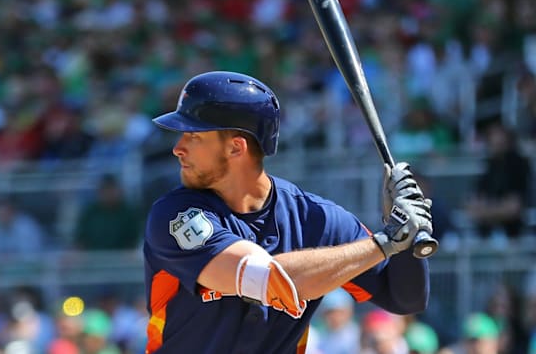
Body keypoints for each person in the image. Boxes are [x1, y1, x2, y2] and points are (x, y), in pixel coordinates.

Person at [143, 71, 433, 353]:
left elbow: (405, 299)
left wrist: (407, 238)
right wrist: (385, 244)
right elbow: (265, 279)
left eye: (193, 137)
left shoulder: (316, 218)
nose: (178, 148)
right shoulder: (175, 215)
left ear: (235, 148)